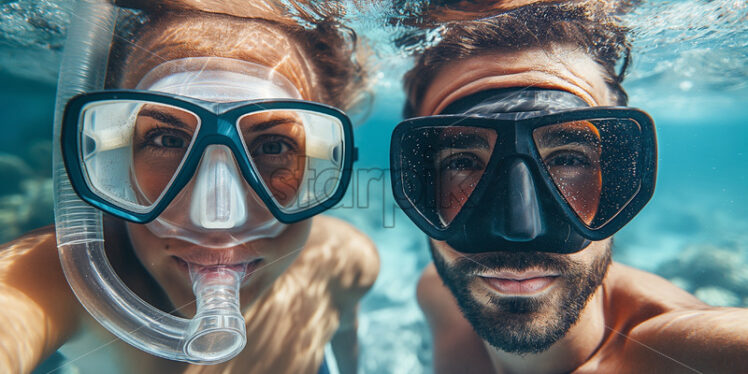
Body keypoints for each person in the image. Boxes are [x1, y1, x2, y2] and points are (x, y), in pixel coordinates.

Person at [0, 1, 378, 373]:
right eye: (167, 140)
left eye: (273, 146)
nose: (217, 221)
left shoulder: (344, 260)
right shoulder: (68, 279)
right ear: (116, 160)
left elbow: (346, 341)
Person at [389, 3, 748, 373]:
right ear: (421, 186)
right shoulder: (438, 294)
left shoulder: (697, 353)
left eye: (567, 159)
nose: (521, 231)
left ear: (615, 178)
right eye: (462, 162)